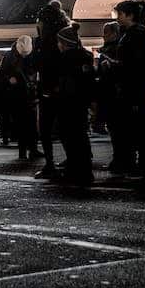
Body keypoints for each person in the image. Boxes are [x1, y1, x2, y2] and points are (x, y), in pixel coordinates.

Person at [106, 0, 145, 177]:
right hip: (137, 87)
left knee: (140, 127)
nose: (118, 18)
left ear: (129, 15)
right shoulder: (134, 34)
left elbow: (134, 66)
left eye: (120, 14)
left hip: (136, 88)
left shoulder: (134, 35)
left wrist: (114, 64)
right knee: (141, 127)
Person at [31, 4, 69, 179]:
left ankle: (50, 163)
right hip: (63, 89)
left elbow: (37, 64)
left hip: (49, 89)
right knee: (64, 127)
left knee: (46, 129)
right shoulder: (64, 35)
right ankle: (70, 159)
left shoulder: (44, 41)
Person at [55, 24, 96, 185]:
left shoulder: (63, 59)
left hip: (68, 102)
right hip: (81, 102)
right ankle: (85, 169)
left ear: (64, 43)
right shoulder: (86, 57)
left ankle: (75, 169)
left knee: (70, 137)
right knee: (81, 135)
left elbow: (62, 82)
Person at [1, 36, 39, 160]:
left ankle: (32, 149)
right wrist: (9, 78)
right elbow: (2, 73)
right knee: (22, 123)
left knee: (31, 123)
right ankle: (23, 151)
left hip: (28, 93)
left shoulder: (28, 54)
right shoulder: (9, 57)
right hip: (17, 94)